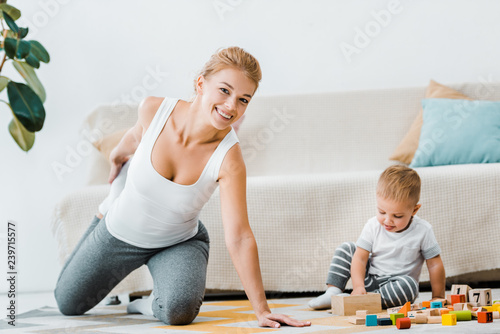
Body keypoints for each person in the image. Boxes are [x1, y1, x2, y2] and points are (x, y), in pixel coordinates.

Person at [55, 46, 311, 329]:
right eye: (224, 91)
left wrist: (262, 310)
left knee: (179, 311)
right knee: (69, 304)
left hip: (179, 241)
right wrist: (116, 157)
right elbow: (135, 137)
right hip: (120, 231)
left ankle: (146, 304)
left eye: (243, 100)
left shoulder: (230, 159)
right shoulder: (153, 109)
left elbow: (239, 236)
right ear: (201, 83)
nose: (231, 107)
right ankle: (108, 207)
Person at [308, 165, 445, 310]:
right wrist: (359, 286)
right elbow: (360, 258)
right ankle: (333, 292)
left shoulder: (423, 230)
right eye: (382, 212)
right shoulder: (372, 226)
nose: (387, 220)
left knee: (410, 286)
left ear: (414, 210)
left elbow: (434, 264)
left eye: (397, 216)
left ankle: (364, 301)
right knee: (347, 248)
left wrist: (438, 296)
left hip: (396, 285)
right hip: (369, 280)